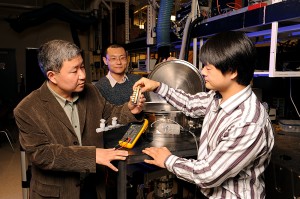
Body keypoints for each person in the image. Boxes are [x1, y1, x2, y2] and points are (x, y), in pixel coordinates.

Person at [134, 31, 274, 198]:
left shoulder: (248, 123)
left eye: (208, 67)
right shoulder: (217, 98)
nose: (202, 72)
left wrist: (167, 159)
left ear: (232, 71)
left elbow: (207, 174)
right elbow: (189, 103)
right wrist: (157, 86)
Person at [13, 39, 145, 199]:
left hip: (92, 186)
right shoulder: (27, 109)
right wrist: (92, 155)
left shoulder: (91, 91)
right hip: (58, 193)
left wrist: (130, 109)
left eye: (82, 67)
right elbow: (43, 154)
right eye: (74, 71)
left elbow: (110, 114)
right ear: (52, 76)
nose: (83, 75)